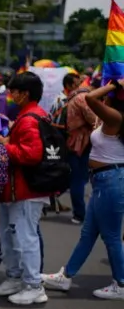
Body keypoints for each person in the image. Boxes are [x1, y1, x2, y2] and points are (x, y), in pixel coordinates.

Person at [41, 78, 124, 300]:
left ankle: (121, 283)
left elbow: (89, 97)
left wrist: (114, 83)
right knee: (88, 234)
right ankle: (66, 275)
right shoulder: (108, 117)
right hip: (102, 180)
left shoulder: (115, 117)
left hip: (111, 180)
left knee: (112, 236)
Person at [0, 71, 52, 305]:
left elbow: (31, 155)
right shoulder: (33, 115)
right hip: (19, 190)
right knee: (5, 232)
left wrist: (6, 145)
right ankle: (16, 277)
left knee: (25, 237)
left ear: (25, 94)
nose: (10, 95)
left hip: (26, 190)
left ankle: (34, 285)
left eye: (14, 91)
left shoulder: (28, 119)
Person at [65, 77, 97, 224]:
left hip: (73, 142)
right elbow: (94, 120)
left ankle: (80, 213)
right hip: (82, 143)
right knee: (79, 179)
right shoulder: (82, 98)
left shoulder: (71, 98)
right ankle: (80, 213)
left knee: (78, 178)